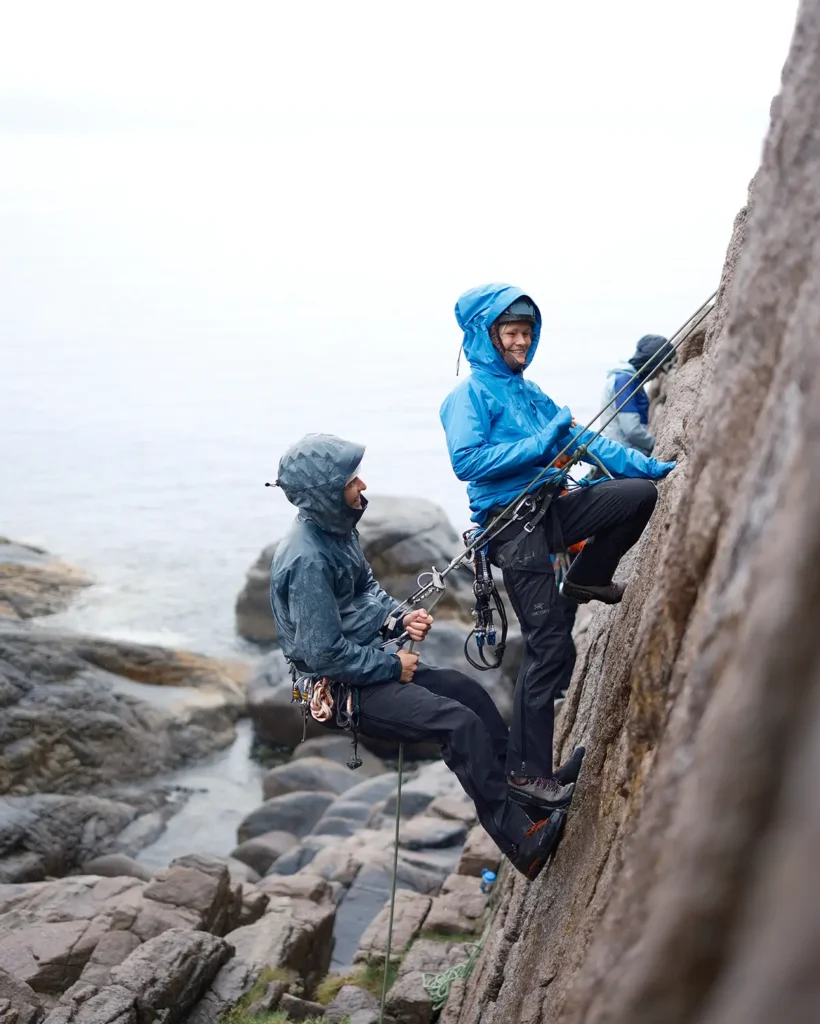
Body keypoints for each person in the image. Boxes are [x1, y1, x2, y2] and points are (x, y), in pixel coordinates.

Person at [268, 432, 582, 881]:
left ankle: (529, 792)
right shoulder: (307, 560)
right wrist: (392, 665)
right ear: (324, 493)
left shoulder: (336, 530)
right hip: (341, 686)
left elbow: (365, 590)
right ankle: (519, 841)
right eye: (352, 481)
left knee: (469, 694)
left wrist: (399, 619)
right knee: (457, 724)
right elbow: (322, 654)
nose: (363, 485)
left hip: (364, 661)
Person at [439, 284, 675, 809]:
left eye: (527, 332)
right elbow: (467, 462)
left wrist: (651, 466)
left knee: (636, 496)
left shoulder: (528, 393)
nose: (522, 341)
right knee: (547, 644)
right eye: (511, 332)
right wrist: (541, 444)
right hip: (512, 526)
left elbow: (585, 440)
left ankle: (587, 576)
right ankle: (529, 774)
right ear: (486, 336)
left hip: (551, 508)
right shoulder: (468, 396)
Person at [599, 334, 676, 456]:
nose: (659, 375)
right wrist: (656, 445)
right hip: (620, 457)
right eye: (660, 369)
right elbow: (632, 429)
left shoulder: (628, 381)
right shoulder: (624, 382)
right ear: (652, 363)